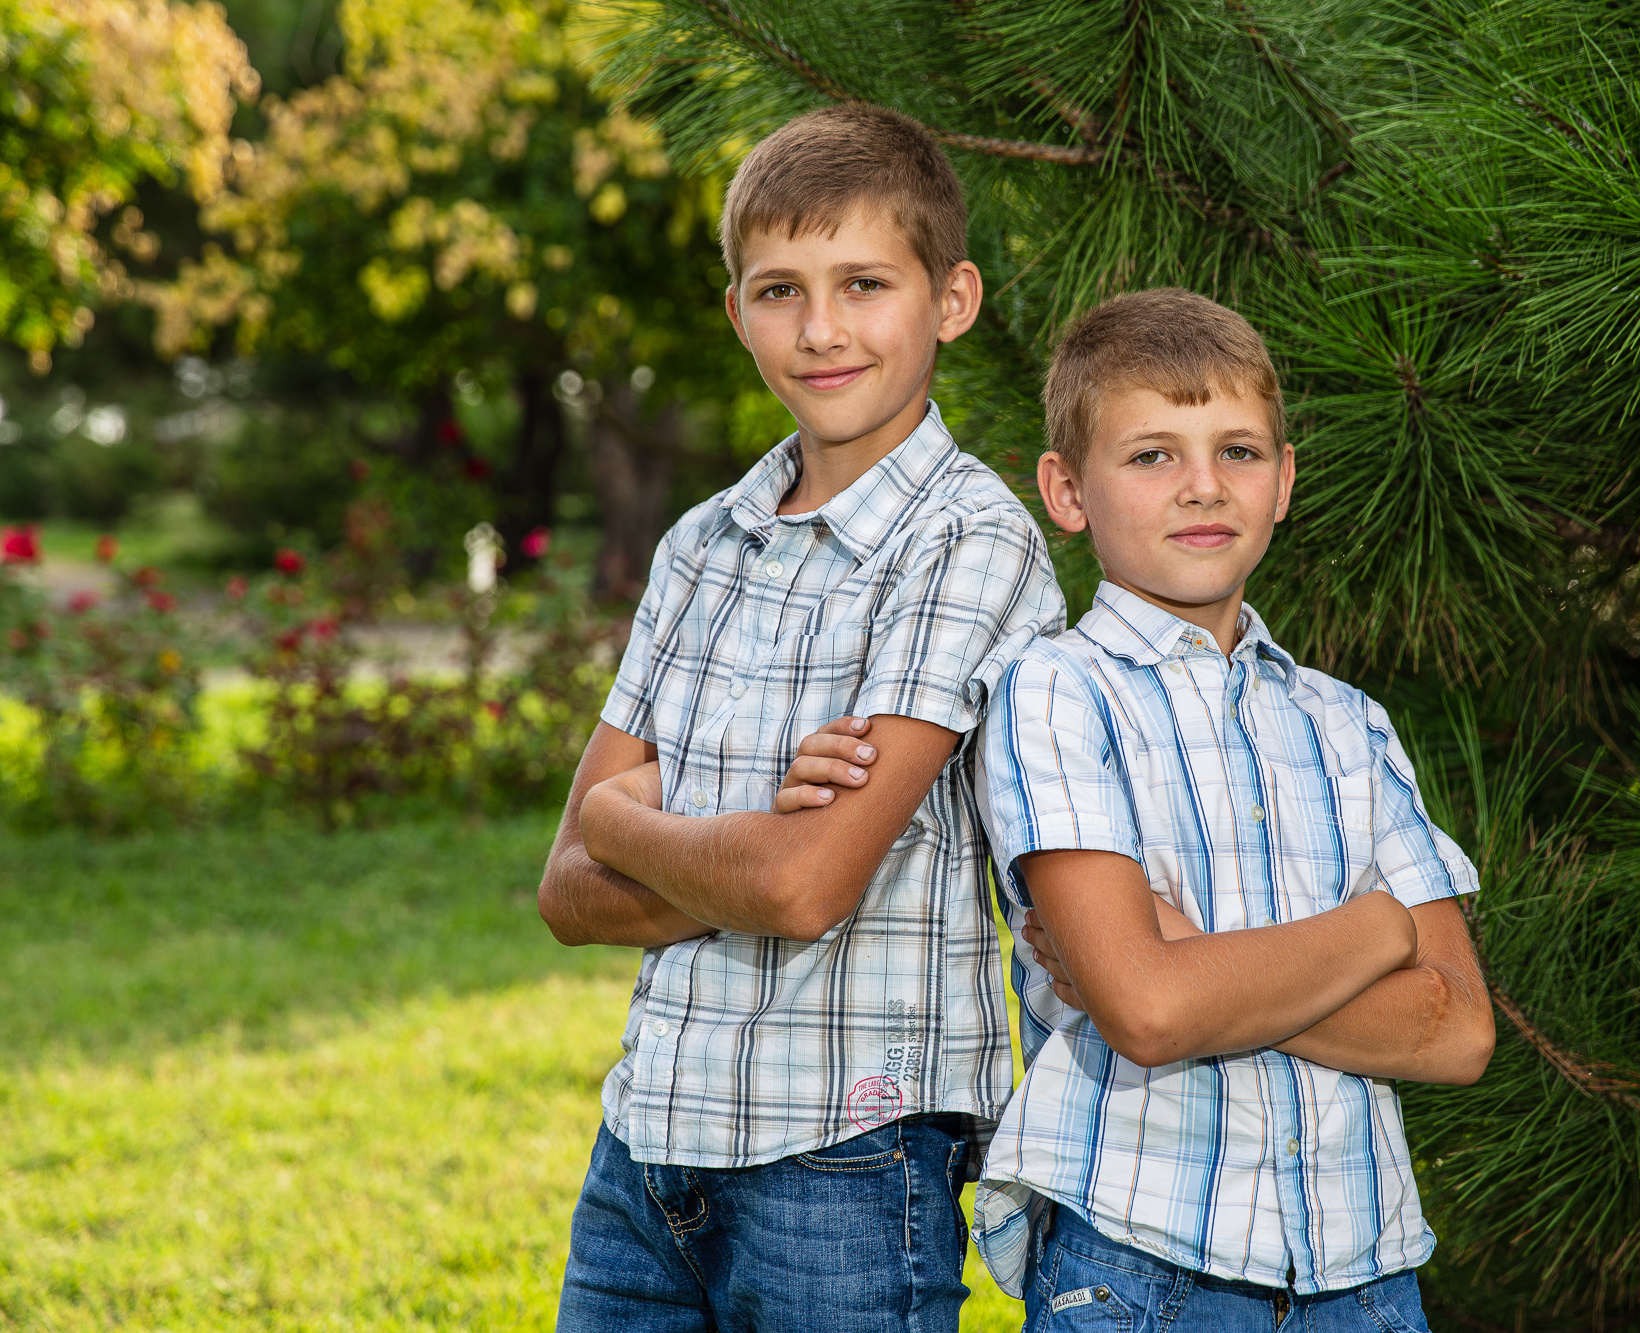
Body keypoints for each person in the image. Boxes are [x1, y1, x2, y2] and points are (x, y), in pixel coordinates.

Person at [535, 102, 1065, 1333]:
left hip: (846, 1155)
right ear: (736, 314)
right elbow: (564, 892)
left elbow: (801, 888)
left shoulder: (965, 542)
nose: (820, 329)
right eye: (778, 290)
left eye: (864, 283)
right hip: (644, 1145)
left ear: (951, 299)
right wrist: (745, 836)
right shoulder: (701, 543)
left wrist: (632, 819)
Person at [874, 286, 1491, 1331]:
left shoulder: (1350, 724)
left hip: (1366, 1281)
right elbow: (1149, 1013)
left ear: (1284, 480)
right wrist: (1375, 931)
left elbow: (1455, 1031)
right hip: (1145, 1271)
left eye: (1238, 452)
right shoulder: (1056, 691)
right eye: (1151, 454)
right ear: (1066, 490)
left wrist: (1202, 964)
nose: (1202, 486)